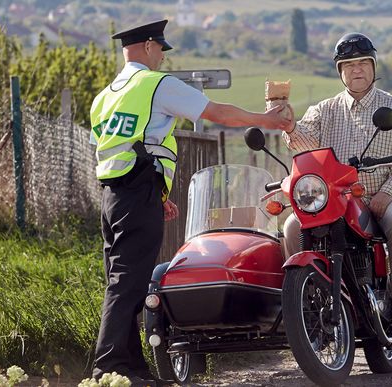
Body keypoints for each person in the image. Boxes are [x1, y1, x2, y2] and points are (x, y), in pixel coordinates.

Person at [88, 19, 290, 386]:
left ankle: (132, 369)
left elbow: (118, 151)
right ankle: (109, 367)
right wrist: (265, 120)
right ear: (149, 46)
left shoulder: (104, 97)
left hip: (112, 197)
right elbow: (218, 113)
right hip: (137, 195)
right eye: (161, 51)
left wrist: (158, 194)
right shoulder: (155, 84)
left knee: (124, 283)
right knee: (127, 284)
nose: (163, 59)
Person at [280, 32, 392, 324]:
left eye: (362, 63)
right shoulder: (324, 109)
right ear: (340, 72)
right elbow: (302, 142)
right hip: (336, 200)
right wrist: (289, 124)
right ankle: (305, 299)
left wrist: (387, 192)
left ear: (373, 66)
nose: (356, 69)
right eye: (349, 65)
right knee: (293, 226)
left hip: (384, 195)